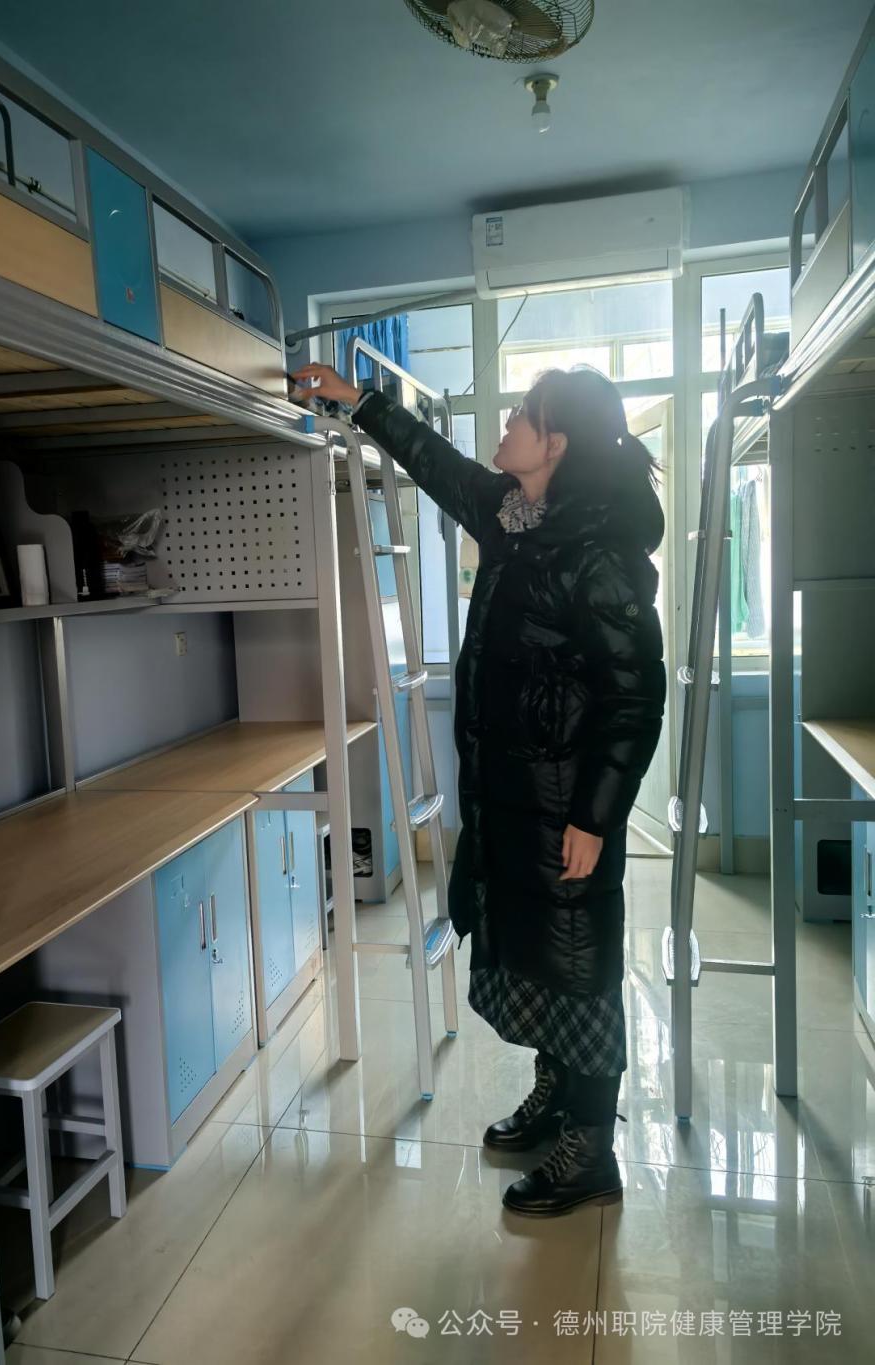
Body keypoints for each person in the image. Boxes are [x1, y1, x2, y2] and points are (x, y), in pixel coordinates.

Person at [292, 360, 666, 1218]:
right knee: (538, 958)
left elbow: (636, 697)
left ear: (555, 444)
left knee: (580, 971)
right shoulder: (513, 517)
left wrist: (595, 817)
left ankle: (590, 1151)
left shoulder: (598, 552)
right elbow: (438, 464)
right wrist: (360, 403)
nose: (506, 424)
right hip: (512, 801)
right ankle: (556, 1099)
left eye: (523, 415)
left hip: (567, 811)